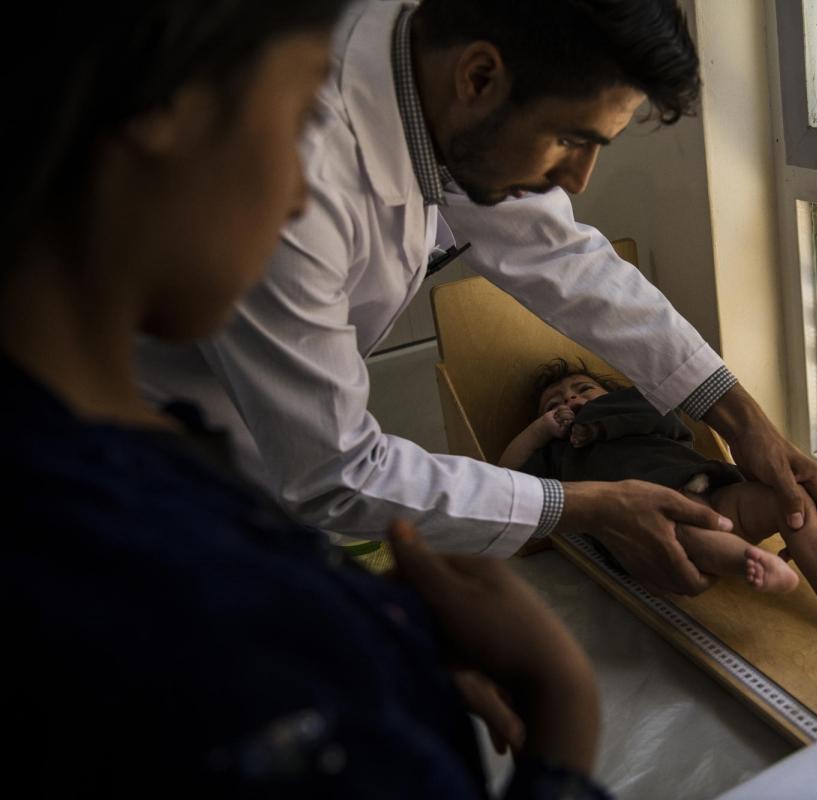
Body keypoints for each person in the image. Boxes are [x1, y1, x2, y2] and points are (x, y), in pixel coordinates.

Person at [1, 3, 607, 796]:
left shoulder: (115, 466)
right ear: (162, 110)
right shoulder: (215, 639)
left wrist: (366, 631)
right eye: (296, 118)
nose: (297, 194)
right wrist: (563, 729)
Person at [137, 0, 817, 597]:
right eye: (571, 139)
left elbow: (562, 257)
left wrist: (739, 414)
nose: (579, 180)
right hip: (164, 454)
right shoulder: (297, 181)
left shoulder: (432, 81)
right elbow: (337, 472)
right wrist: (587, 506)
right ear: (479, 76)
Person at [500, 360, 817, 624]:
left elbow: (663, 413)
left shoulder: (636, 407)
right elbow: (508, 476)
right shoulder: (558, 453)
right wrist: (542, 431)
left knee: (788, 498)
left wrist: (599, 423)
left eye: (583, 389)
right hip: (645, 520)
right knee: (686, 534)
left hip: (712, 487)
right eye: (555, 404)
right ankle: (749, 562)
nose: (570, 401)